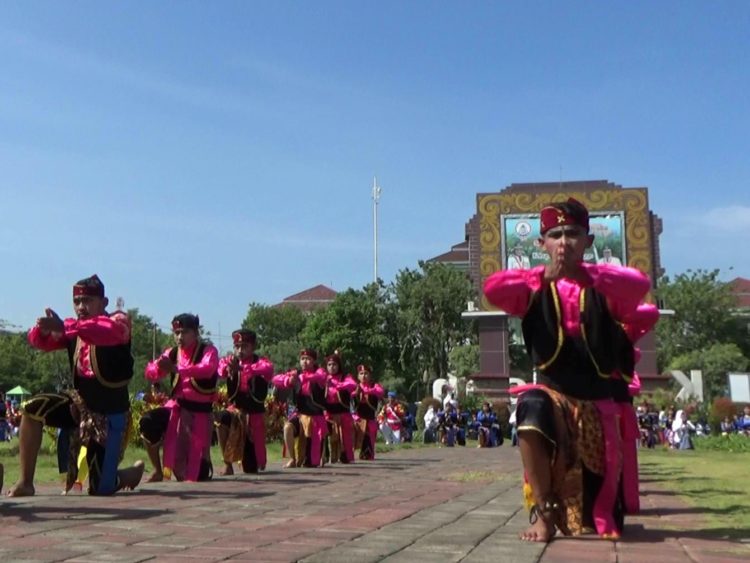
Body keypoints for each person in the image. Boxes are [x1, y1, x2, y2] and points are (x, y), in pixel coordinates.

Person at [483, 198, 651, 542]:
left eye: (572, 234)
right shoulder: (530, 288)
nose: (564, 242)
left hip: (597, 403)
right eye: (555, 235)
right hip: (553, 392)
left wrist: (586, 275)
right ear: (541, 243)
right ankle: (543, 514)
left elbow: (639, 286)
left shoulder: (605, 287)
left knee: (602, 520)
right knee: (530, 408)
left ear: (588, 241)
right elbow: (492, 289)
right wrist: (544, 276)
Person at [8, 275, 144, 497]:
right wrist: (43, 330)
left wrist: (67, 327)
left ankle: (128, 475)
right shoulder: (74, 328)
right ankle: (25, 482)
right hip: (79, 408)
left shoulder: (119, 322)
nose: (81, 307)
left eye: (88, 300)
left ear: (104, 302)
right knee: (32, 408)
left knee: (101, 488)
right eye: (77, 302)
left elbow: (107, 332)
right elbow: (43, 342)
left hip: (109, 417)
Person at [143, 313, 218, 482]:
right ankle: (157, 470)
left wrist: (177, 369)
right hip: (176, 409)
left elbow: (207, 369)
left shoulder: (208, 351)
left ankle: (205, 459)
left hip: (199, 415)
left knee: (196, 474)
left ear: (195, 333)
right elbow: (151, 372)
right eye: (176, 333)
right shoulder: (172, 353)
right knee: (147, 421)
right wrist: (159, 370)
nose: (179, 337)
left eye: (184, 333)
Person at [216, 329, 274, 475]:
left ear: (253, 347)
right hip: (235, 411)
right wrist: (228, 368)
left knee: (252, 468)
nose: (239, 350)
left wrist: (242, 368)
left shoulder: (261, 362)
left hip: (253, 416)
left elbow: (267, 369)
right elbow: (220, 370)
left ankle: (254, 458)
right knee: (220, 419)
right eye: (237, 346)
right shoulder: (230, 361)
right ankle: (227, 463)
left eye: (244, 346)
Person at [273, 349, 328, 468]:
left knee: (310, 463)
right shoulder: (296, 374)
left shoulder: (319, 372)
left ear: (314, 361)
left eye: (308, 359)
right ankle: (292, 458)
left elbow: (321, 376)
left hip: (315, 419)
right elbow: (275, 379)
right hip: (300, 416)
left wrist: (304, 378)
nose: (305, 362)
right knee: (287, 427)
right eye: (302, 359)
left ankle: (317, 456)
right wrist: (288, 380)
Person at [324, 352, 357, 464]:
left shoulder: (345, 377)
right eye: (329, 364)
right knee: (325, 434)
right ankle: (326, 456)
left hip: (343, 412)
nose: (332, 367)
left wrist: (337, 385)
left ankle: (345, 455)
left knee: (345, 436)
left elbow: (352, 385)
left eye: (334, 364)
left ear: (339, 366)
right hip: (329, 413)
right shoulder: (324, 378)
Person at [353, 364, 384, 460]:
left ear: (370, 375)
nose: (363, 376)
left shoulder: (375, 386)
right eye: (361, 373)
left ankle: (367, 454)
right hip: (358, 418)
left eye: (366, 373)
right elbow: (350, 396)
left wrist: (367, 391)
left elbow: (380, 392)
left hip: (370, 419)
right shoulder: (355, 387)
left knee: (369, 440)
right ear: (358, 376)